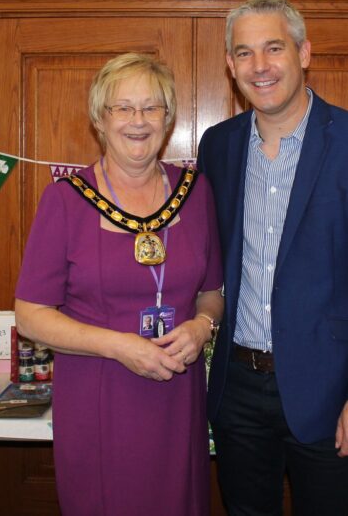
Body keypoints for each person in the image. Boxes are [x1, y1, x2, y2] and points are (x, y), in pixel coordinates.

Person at [197, 0, 348, 514]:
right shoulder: (219, 146)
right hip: (238, 390)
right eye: (244, 53)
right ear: (230, 66)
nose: (260, 66)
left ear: (304, 53)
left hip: (332, 390)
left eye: (274, 48)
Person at [15, 52, 224, 515]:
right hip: (98, 393)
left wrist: (201, 326)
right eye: (123, 108)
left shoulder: (196, 192)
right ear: (99, 118)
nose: (138, 121)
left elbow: (211, 295)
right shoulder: (65, 200)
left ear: (168, 120)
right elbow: (30, 316)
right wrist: (120, 346)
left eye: (152, 108)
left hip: (177, 395)